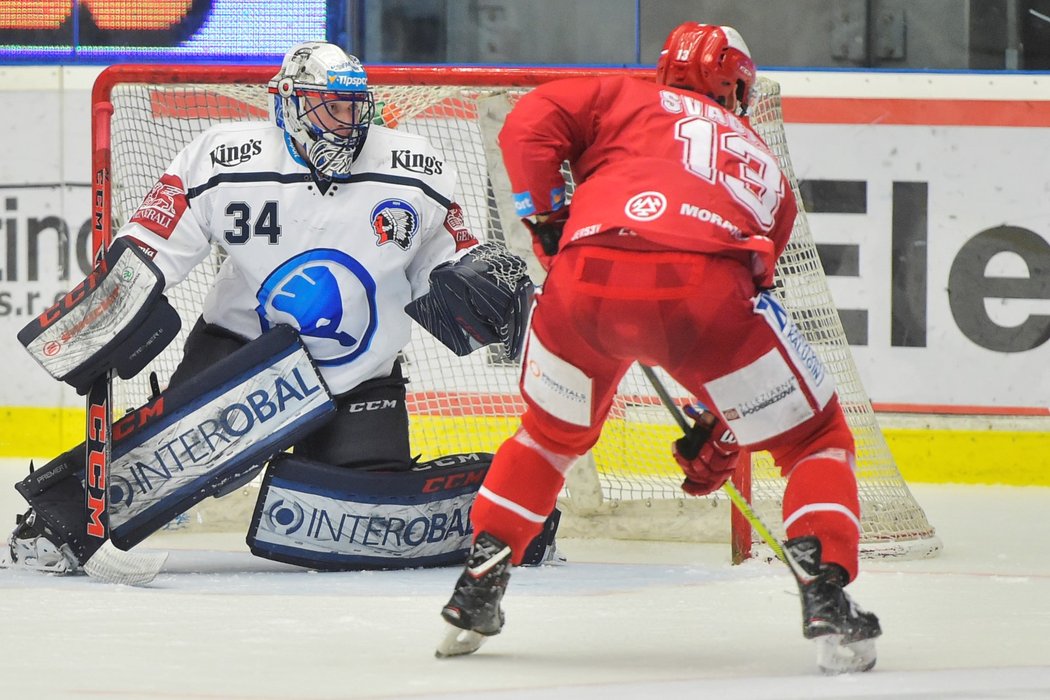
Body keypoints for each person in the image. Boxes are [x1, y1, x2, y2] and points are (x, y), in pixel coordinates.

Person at [8, 41, 556, 576]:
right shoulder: (223, 157)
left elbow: (447, 260)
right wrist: (113, 307)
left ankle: (511, 518)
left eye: (353, 106)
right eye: (330, 105)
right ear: (288, 103)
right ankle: (55, 521)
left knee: (366, 520)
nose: (347, 121)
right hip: (243, 356)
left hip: (360, 376)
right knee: (165, 468)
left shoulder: (413, 169)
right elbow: (151, 245)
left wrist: (479, 278)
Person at [435, 22, 882, 674]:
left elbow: (526, 121)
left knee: (546, 438)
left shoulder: (618, 94)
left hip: (580, 279)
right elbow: (741, 323)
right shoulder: (767, 169)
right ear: (736, 86)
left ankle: (479, 583)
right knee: (813, 439)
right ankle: (825, 593)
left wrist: (549, 220)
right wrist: (722, 432)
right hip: (705, 286)